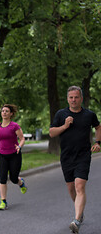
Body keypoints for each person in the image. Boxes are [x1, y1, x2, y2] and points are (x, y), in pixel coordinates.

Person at [49, 85, 101, 234]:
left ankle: (77, 220)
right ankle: (80, 211)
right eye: (71, 97)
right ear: (67, 99)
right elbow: (52, 132)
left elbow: (98, 127)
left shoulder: (89, 115)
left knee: (79, 186)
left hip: (83, 155)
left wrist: (98, 143)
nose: (73, 100)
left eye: (76, 97)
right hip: (66, 156)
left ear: (81, 98)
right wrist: (65, 125)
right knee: (71, 188)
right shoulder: (61, 114)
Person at [0, 104, 27, 210]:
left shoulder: (14, 126)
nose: (4, 112)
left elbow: (22, 138)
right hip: (2, 155)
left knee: (13, 178)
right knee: (2, 178)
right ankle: (3, 201)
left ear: (11, 114)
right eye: (3, 111)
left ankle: (20, 182)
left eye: (6, 111)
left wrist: (19, 146)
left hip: (14, 155)